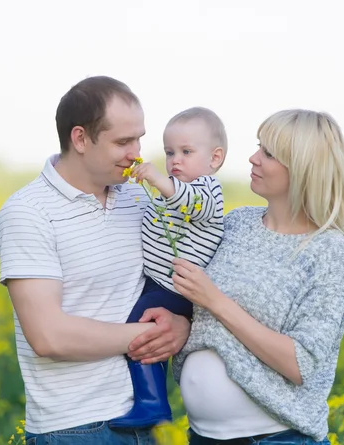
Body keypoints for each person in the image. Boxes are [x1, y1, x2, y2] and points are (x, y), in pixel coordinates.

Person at [0, 75, 191, 445]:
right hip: (75, 429)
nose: (136, 153)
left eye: (139, 139)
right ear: (80, 138)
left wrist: (182, 326)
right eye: (122, 141)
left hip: (146, 422)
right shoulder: (28, 212)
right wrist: (154, 335)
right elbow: (49, 336)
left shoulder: (139, 199)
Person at [170, 109, 344, 445]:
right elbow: (203, 312)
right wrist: (181, 323)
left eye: (268, 153)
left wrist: (214, 301)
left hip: (275, 438)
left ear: (301, 167)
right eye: (259, 147)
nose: (253, 158)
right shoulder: (236, 222)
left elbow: (301, 363)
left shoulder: (328, 250)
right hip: (203, 437)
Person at [109, 107, 227, 429]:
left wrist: (159, 181)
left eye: (187, 152)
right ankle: (150, 398)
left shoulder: (207, 191)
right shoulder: (168, 192)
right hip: (157, 283)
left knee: (140, 331)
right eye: (169, 152)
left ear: (214, 159)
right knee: (148, 334)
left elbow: (190, 204)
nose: (175, 160)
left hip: (175, 289)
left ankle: (152, 404)